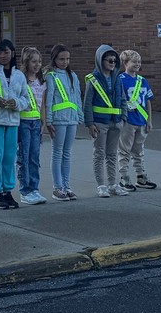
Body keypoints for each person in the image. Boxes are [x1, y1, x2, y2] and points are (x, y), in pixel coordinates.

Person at [0, 39, 28, 210]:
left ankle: (8, 191)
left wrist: (15, 103)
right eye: (0, 53)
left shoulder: (19, 75)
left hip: (13, 121)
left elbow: (26, 98)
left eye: (6, 52)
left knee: (10, 157)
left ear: (12, 53)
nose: (3, 56)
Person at [83, 45, 124, 198]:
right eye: (109, 60)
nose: (112, 63)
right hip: (99, 123)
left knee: (112, 154)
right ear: (101, 60)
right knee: (99, 154)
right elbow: (87, 103)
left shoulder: (117, 79)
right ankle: (101, 185)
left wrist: (123, 119)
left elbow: (123, 99)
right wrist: (89, 123)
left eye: (115, 60)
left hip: (115, 122)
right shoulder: (92, 79)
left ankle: (113, 184)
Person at [45, 44, 83, 201]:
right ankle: (57, 187)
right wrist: (48, 120)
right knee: (57, 152)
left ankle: (66, 186)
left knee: (67, 153)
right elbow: (48, 100)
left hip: (71, 119)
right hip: (58, 119)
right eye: (61, 59)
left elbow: (77, 97)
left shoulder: (72, 75)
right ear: (54, 59)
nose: (65, 62)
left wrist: (79, 116)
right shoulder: (50, 76)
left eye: (67, 59)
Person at [117, 49, 157, 192]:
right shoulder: (120, 80)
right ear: (125, 63)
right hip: (128, 121)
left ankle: (141, 176)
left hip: (141, 120)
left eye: (139, 62)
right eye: (134, 62)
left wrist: (149, 120)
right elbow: (117, 99)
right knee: (124, 150)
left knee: (139, 151)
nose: (137, 64)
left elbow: (147, 101)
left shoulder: (142, 81)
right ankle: (124, 177)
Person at [16, 46, 47, 205]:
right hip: (23, 122)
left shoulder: (42, 82)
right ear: (26, 62)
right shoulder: (21, 80)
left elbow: (42, 104)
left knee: (34, 156)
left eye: (39, 61)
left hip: (36, 123)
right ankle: (25, 190)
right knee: (24, 156)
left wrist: (43, 122)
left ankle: (34, 188)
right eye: (34, 61)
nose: (37, 65)